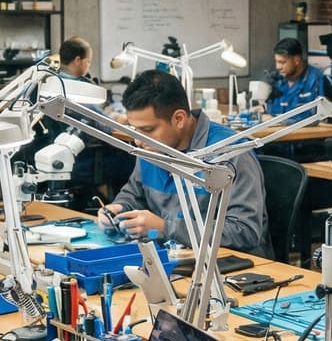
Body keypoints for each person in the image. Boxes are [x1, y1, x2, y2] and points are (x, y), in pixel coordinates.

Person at [105, 69, 268, 255]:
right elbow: (134, 194)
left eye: (148, 130)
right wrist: (118, 209)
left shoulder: (231, 154)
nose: (138, 141)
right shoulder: (150, 149)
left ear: (179, 119)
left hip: (230, 267)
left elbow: (245, 231)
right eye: (134, 130)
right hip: (173, 258)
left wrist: (165, 227)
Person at [266, 36, 328, 113]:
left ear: (296, 60)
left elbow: (325, 118)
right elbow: (271, 110)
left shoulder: (318, 80)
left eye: (282, 62)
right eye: (277, 61)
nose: (278, 67)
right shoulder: (277, 81)